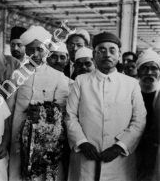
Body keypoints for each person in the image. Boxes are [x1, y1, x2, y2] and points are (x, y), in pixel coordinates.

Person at [65, 32, 146, 181]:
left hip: (119, 160)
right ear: (94, 54)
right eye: (101, 50)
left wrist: (120, 146)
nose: (107, 54)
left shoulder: (131, 84)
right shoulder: (81, 81)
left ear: (119, 54)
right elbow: (70, 116)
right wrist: (82, 142)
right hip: (86, 155)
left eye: (112, 50)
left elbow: (139, 120)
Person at [7, 25, 70, 181]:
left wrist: (43, 116)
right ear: (26, 51)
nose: (35, 54)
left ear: (47, 49)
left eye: (39, 50)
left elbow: (61, 111)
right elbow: (8, 110)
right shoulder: (17, 75)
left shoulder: (58, 77)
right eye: (31, 50)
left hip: (48, 140)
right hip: (18, 136)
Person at [136, 49, 160, 181]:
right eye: (144, 68)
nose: (149, 72)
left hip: (156, 149)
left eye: (153, 68)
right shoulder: (129, 91)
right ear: (138, 71)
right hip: (132, 147)